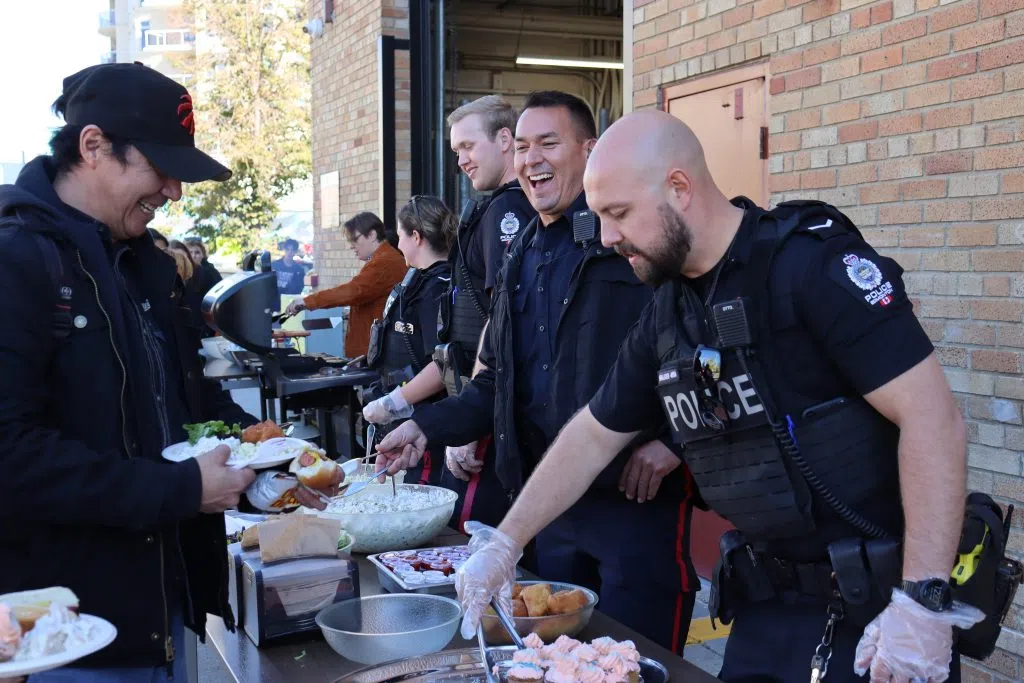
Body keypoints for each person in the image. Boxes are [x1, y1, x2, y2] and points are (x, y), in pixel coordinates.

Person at [439, 109, 983, 682]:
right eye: (599, 216)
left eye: (619, 214)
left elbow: (933, 419)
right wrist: (505, 541)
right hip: (768, 604)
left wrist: (923, 602)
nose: (606, 237)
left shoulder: (809, 267)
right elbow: (594, 433)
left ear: (679, 188)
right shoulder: (670, 311)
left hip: (880, 617)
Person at [0, 62, 339, 682]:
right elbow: (12, 456)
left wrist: (269, 458)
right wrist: (181, 491)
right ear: (93, 146)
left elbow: (187, 404)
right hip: (68, 638)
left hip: (163, 610)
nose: (174, 192)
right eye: (160, 169)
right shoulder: (18, 259)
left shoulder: (143, 264)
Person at [375, 92, 700, 654]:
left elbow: (707, 344)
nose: (531, 160)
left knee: (638, 660)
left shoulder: (634, 235)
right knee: (557, 661)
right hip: (547, 505)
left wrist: (676, 442)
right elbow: (494, 383)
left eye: (549, 143)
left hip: (635, 503)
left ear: (589, 150)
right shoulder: (522, 251)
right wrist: (424, 427)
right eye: (522, 146)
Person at [362, 95, 536, 529]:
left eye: (468, 147)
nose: (461, 160)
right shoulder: (498, 208)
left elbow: (502, 322)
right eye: (455, 151)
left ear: (503, 139)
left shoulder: (507, 212)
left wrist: (470, 424)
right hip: (478, 406)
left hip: (488, 413)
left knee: (470, 537)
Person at [364, 195, 455, 485]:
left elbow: (443, 366)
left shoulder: (436, 290)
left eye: (400, 236)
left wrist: (393, 402)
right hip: (410, 420)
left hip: (425, 424)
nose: (397, 244)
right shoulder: (418, 282)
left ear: (416, 236)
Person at [285, 212, 407, 359]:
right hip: (377, 350)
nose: (351, 246)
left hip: (377, 354)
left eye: (354, 239)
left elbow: (352, 291)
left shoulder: (384, 262)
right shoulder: (385, 258)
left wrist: (307, 301)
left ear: (372, 235)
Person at [272, 237, 310, 308]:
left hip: (289, 303)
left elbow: (300, 288)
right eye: (288, 249)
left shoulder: (299, 269)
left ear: (295, 252)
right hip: (274, 302)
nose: (290, 252)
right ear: (284, 249)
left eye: (292, 250)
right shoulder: (275, 265)